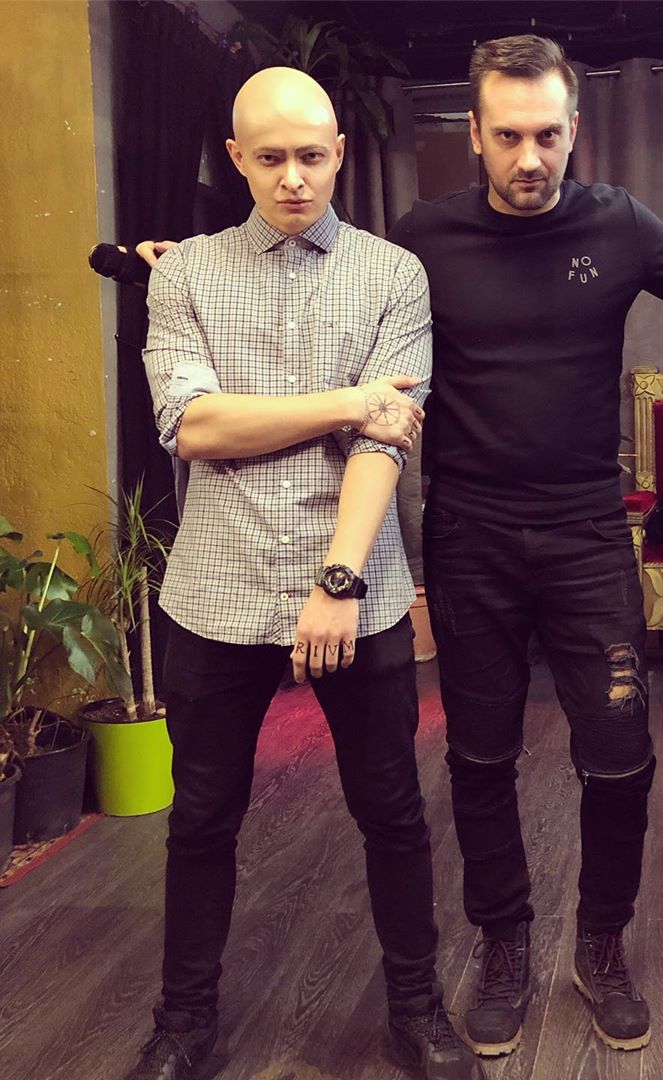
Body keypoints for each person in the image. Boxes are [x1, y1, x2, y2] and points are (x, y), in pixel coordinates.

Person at [129, 67, 483, 1080]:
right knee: (202, 819)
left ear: (340, 154)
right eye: (272, 158)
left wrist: (336, 581)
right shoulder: (185, 275)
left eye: (313, 157)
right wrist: (347, 400)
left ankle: (416, 1011)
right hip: (216, 591)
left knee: (393, 812)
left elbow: (386, 442)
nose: (294, 178)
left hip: (354, 588)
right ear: (237, 159)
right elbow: (193, 426)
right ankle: (183, 1026)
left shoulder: (393, 275)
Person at [387, 34, 663, 1059]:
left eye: (548, 135)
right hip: (469, 530)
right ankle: (504, 943)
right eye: (508, 136)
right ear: (474, 133)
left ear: (574, 130)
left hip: (587, 529)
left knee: (622, 753)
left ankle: (602, 943)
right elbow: (325, 294)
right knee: (480, 754)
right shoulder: (423, 237)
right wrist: (191, 264)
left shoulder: (620, 223)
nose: (529, 157)